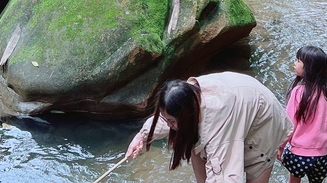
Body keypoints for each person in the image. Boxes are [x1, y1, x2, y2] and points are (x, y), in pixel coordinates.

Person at [125, 72, 292, 183]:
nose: (169, 125)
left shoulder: (216, 123)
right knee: (195, 145)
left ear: (187, 114)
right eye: (167, 119)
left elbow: (223, 176)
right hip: (239, 99)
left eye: (172, 121)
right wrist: (142, 136)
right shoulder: (186, 96)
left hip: (262, 121)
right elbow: (167, 118)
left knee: (253, 169)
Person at [279, 46, 327, 183]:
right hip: (322, 155)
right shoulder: (326, 94)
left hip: (299, 155)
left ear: (308, 68)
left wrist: (280, 146)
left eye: (298, 60)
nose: (294, 63)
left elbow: (289, 123)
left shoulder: (298, 92)